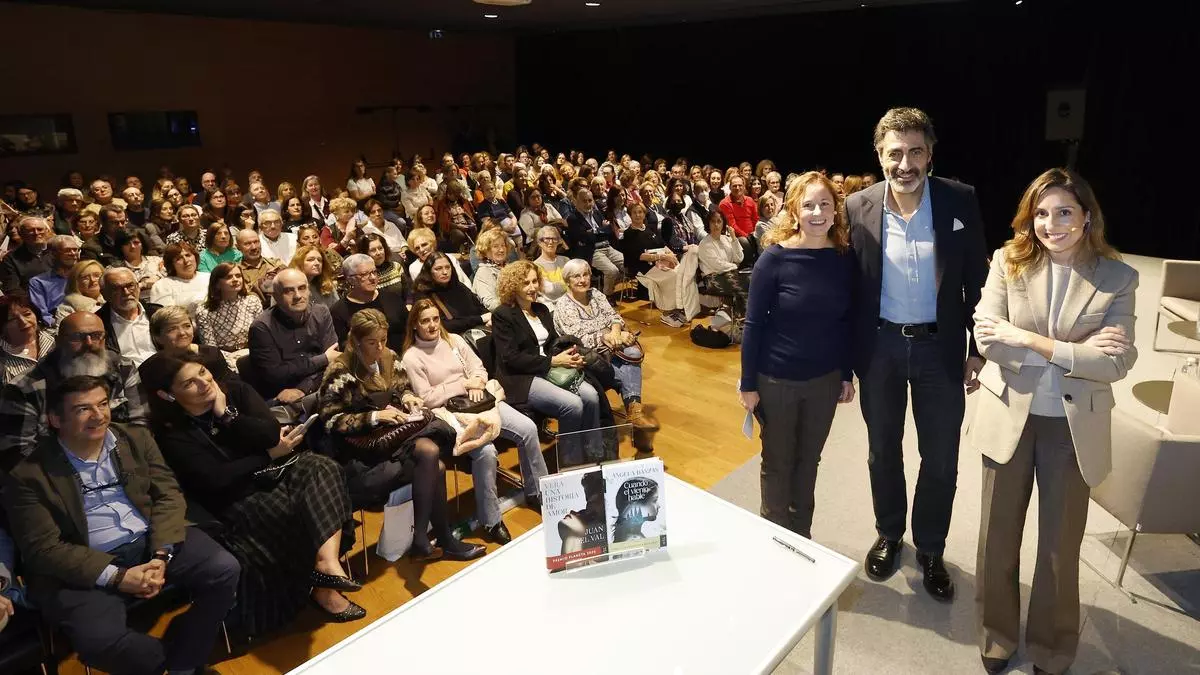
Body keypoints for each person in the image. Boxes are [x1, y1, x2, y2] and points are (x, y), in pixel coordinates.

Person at [971, 169, 1137, 675]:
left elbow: (1115, 363)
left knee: (1060, 548)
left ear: (1087, 216)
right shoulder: (1008, 261)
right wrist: (1076, 352)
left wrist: (1033, 341)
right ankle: (996, 635)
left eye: (1065, 211)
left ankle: (1052, 647)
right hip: (1009, 418)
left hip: (1071, 428)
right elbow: (987, 338)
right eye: (1041, 213)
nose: (1051, 223)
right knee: (997, 538)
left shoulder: (1117, 277)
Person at [1, 375, 240, 675]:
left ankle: (184, 665)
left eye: (102, 404)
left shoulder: (135, 438)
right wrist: (116, 576)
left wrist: (161, 554)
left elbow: (167, 494)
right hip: (83, 562)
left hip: (149, 539)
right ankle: (170, 664)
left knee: (224, 569)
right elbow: (44, 549)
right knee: (98, 641)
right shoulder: (28, 475)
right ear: (55, 419)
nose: (98, 415)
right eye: (82, 409)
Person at [846, 107, 989, 601]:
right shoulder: (857, 206)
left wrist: (978, 348)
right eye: (894, 153)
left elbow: (978, 279)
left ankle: (930, 547)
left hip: (940, 350)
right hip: (880, 348)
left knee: (941, 457)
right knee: (882, 450)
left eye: (914, 152)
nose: (904, 163)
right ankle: (890, 533)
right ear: (879, 155)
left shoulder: (959, 199)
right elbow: (849, 290)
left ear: (930, 153)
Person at [141, 351, 366, 629]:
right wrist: (266, 456)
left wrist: (227, 417)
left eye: (201, 372)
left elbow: (271, 435)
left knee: (323, 468)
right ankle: (323, 588)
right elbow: (216, 479)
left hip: (277, 472)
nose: (204, 382)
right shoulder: (170, 432)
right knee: (295, 512)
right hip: (237, 496)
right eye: (189, 383)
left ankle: (326, 566)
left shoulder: (234, 391)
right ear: (168, 395)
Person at [739, 171, 858, 540]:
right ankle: (776, 540)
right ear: (793, 210)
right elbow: (753, 325)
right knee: (777, 463)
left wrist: (845, 374)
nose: (818, 212)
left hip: (823, 381)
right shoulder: (773, 260)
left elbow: (847, 321)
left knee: (809, 463)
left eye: (825, 204)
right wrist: (748, 383)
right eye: (808, 205)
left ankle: (801, 537)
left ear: (835, 210)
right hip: (776, 381)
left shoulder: (844, 258)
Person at [319, 309, 485, 561]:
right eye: (372, 342)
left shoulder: (389, 357)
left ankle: (430, 540)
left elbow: (402, 389)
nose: (380, 347)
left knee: (433, 458)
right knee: (432, 459)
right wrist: (374, 417)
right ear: (355, 341)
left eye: (383, 340)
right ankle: (438, 539)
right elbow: (331, 422)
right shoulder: (340, 371)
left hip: (391, 438)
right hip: (363, 453)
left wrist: (409, 399)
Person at [401, 300, 548, 540]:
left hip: (480, 401)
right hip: (449, 412)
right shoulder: (412, 357)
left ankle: (537, 492)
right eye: (425, 321)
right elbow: (427, 398)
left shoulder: (455, 341)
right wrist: (462, 384)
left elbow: (478, 367)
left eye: (435, 319)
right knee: (487, 452)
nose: (432, 325)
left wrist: (478, 382)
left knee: (528, 428)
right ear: (415, 325)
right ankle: (491, 520)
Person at [0, 312, 149, 464]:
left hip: (123, 463)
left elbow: (141, 426)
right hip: (57, 476)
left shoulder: (123, 368)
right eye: (77, 337)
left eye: (97, 335)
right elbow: (18, 455)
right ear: (58, 342)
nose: (89, 343)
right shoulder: (24, 389)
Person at [492, 261, 602, 467]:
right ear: (513, 285)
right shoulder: (502, 315)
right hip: (521, 377)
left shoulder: (541, 309)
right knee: (573, 405)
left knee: (592, 396)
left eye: (535, 281)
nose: (533, 287)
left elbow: (552, 344)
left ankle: (594, 454)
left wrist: (569, 357)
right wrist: (553, 361)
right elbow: (511, 358)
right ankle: (572, 463)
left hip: (551, 368)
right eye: (526, 283)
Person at [553, 258, 658, 431]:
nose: (582, 280)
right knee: (629, 368)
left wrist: (617, 332)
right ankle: (635, 412)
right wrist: (610, 336)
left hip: (609, 350)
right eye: (576, 276)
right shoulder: (564, 306)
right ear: (567, 281)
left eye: (585, 274)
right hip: (584, 357)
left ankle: (634, 413)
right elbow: (581, 339)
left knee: (632, 353)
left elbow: (614, 316)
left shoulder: (595, 294)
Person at [248, 268, 341, 405]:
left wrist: (303, 388)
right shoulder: (262, 327)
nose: (298, 295)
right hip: (280, 396)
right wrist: (322, 359)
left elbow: (334, 361)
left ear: (309, 290)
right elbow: (275, 375)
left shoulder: (321, 313)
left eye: (302, 288)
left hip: (319, 386)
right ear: (276, 296)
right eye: (289, 291)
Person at [619, 203, 687, 327]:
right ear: (630, 215)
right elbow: (639, 256)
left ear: (644, 214)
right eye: (634, 212)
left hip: (657, 263)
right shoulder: (629, 234)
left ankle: (676, 309)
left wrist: (671, 255)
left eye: (640, 212)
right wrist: (663, 256)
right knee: (672, 277)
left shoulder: (649, 228)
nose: (638, 215)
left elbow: (661, 244)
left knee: (680, 272)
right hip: (642, 268)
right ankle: (666, 313)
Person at [330, 254, 409, 349]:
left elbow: (409, 329)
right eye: (364, 274)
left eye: (374, 272)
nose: (372, 278)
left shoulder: (392, 298)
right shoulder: (339, 311)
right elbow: (345, 346)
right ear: (350, 279)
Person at [144, 305, 232, 383]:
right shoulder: (152, 368)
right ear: (157, 337)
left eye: (187, 326)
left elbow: (229, 389)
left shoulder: (212, 355)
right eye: (172, 329)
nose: (182, 333)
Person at [195, 263, 263, 358]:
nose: (235, 280)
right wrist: (231, 358)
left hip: (252, 352)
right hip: (223, 357)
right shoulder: (204, 311)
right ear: (217, 284)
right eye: (229, 277)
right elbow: (210, 346)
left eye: (238, 276)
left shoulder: (252, 301)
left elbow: (261, 335)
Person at [565, 187, 624, 296]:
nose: (588, 203)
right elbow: (585, 238)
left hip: (607, 247)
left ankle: (605, 290)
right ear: (576, 202)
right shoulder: (573, 219)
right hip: (592, 251)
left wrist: (595, 231)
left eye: (590, 200)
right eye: (584, 201)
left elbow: (609, 230)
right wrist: (602, 229)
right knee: (612, 271)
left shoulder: (597, 213)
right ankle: (607, 296)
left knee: (628, 264)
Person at [414, 252, 491, 335]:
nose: (445, 272)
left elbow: (481, 309)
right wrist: (480, 319)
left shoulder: (459, 286)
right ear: (429, 272)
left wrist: (489, 319)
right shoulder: (424, 295)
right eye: (438, 268)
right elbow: (443, 325)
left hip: (478, 333)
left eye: (447, 267)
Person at [96, 268, 159, 366]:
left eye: (130, 286)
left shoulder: (156, 313)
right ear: (104, 294)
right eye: (116, 288)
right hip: (125, 377)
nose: (126, 292)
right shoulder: (98, 323)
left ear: (138, 287)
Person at [698, 209, 750, 313]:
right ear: (708, 223)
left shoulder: (726, 239)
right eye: (713, 221)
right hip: (712, 279)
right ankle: (745, 317)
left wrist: (734, 238)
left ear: (723, 224)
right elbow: (718, 265)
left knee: (750, 280)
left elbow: (739, 258)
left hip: (729, 274)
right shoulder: (704, 244)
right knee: (743, 283)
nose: (716, 225)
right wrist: (735, 266)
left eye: (719, 221)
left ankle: (742, 317)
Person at [0, 295, 54, 387]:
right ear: (2, 326)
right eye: (13, 319)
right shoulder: (2, 358)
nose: (23, 321)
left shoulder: (57, 341)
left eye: (27, 314)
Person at [29, 234, 79, 326]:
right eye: (67, 250)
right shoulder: (38, 282)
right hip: (57, 325)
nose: (73, 253)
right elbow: (43, 315)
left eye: (75, 249)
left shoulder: (84, 275)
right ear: (54, 254)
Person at [0, 214, 52, 295]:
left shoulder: (57, 251)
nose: (36, 233)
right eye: (30, 230)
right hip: (30, 303)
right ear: (21, 234)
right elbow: (12, 289)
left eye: (40, 229)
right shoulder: (11, 259)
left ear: (47, 232)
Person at [149, 242, 210, 309]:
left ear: (195, 257)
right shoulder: (162, 286)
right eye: (178, 258)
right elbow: (166, 316)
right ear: (171, 264)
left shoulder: (209, 277)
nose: (186, 261)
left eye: (188, 255)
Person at [111, 228, 165, 302]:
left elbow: (169, 279)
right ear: (121, 247)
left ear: (142, 245)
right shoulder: (114, 270)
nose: (132, 246)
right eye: (127, 244)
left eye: (136, 242)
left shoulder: (157, 261)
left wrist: (158, 278)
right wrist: (143, 284)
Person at [236, 228, 284, 304]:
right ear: (238, 247)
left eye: (256, 242)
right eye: (247, 244)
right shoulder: (235, 271)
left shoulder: (275, 263)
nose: (254, 247)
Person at [471, 228, 512, 312]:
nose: (501, 250)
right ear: (486, 250)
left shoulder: (511, 268)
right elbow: (492, 305)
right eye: (495, 246)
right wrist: (515, 298)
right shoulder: (483, 271)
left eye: (503, 245)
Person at [53, 259, 106, 325]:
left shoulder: (113, 300)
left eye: (97, 275)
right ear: (75, 282)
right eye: (85, 277)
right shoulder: (66, 307)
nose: (92, 280)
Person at [358, 232, 407, 297]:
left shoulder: (396, 266)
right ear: (365, 254)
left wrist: (409, 304)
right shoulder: (362, 276)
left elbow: (408, 292)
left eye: (380, 248)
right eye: (373, 250)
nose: (378, 253)